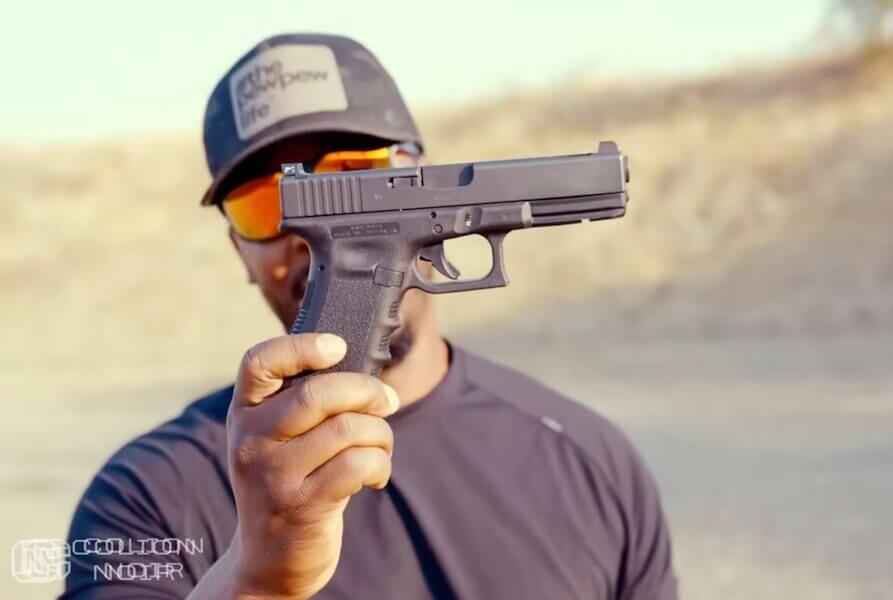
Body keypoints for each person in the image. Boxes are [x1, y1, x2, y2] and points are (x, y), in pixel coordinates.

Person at [62, 34, 677, 599]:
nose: (303, 232)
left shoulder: (595, 463)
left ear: (420, 173)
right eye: (263, 205)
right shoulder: (144, 496)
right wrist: (256, 581)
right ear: (237, 250)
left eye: (357, 169)